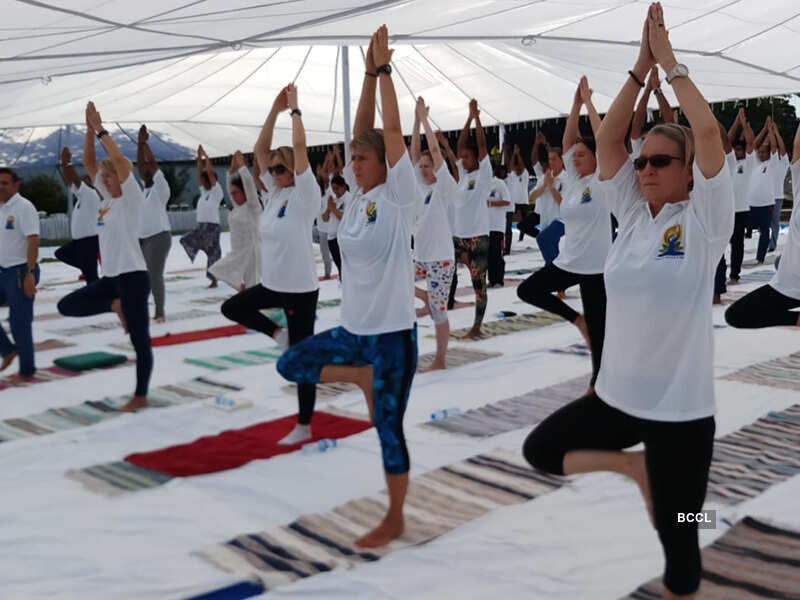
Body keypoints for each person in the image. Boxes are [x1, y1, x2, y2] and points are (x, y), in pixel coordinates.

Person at [523, 5, 734, 599]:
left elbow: (710, 133)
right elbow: (610, 137)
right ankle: (637, 470)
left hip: (681, 409)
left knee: (682, 537)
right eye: (641, 162)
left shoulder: (706, 222)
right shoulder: (632, 215)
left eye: (660, 162)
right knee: (541, 450)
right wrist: (639, 68)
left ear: (690, 172)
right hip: (618, 397)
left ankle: (711, 515)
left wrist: (669, 61)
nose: (643, 169)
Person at [277, 26, 418, 548]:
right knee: (291, 363)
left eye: (362, 159)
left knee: (388, 431)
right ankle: (358, 377)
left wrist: (383, 74)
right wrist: (363, 74)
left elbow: (391, 131)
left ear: (384, 164)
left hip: (391, 338)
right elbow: (363, 130)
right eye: (352, 159)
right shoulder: (357, 198)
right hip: (354, 334)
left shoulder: (399, 195)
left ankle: (396, 515)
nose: (351, 164)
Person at [221, 85, 320, 446]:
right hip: (274, 283)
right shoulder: (275, 193)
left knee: (303, 360)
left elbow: (299, 150)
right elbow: (259, 151)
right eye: (274, 169)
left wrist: (295, 113)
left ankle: (305, 424)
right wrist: (273, 110)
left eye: (281, 168)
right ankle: (280, 336)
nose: (274, 172)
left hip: (299, 289)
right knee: (232, 307)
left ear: (294, 170)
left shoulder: (306, 194)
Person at [58, 102, 153, 412]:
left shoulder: (131, 199)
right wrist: (87, 131)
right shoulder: (106, 203)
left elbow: (121, 166)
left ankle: (140, 395)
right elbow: (88, 162)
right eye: (104, 178)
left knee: (140, 340)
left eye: (109, 177)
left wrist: (100, 130)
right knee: (66, 306)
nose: (105, 181)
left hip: (134, 277)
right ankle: (116, 305)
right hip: (112, 280)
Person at [517, 76, 609, 388]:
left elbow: (606, 139)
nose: (576, 158)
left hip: (597, 266)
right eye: (575, 156)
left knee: (601, 336)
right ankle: (576, 319)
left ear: (597, 158)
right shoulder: (571, 181)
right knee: (527, 290)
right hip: (570, 260)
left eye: (584, 155)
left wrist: (591, 106)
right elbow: (569, 142)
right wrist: (575, 105)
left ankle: (599, 385)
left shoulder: (603, 181)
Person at [726, 121, 800, 328]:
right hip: (791, 284)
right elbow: (798, 147)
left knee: (767, 234)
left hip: (765, 204)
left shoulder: (772, 164)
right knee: (737, 315)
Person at [410, 96, 456, 372]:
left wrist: (426, 120)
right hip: (420, 255)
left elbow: (435, 154)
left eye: (428, 166)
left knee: (439, 312)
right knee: (397, 278)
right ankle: (425, 298)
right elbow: (414, 152)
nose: (423, 168)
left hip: (440, 258)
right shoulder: (420, 186)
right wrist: (415, 120)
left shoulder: (445, 187)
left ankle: (440, 359)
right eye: (422, 166)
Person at [446, 98, 493, 339]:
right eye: (461, 157)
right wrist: (467, 118)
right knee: (441, 265)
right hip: (459, 238)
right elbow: (460, 144)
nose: (462, 160)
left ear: (477, 158)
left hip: (477, 238)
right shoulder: (463, 176)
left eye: (467, 156)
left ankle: (477, 326)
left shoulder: (484, 174)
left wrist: (477, 119)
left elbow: (481, 144)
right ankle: (445, 303)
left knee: (478, 284)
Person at [0, 167, 40, 380]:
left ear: (15, 185)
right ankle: (7, 350)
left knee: (19, 322)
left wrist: (30, 274)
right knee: (18, 321)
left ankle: (27, 370)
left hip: (21, 271)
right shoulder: (1, 208)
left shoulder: (23, 207)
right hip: (2, 271)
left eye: (5, 183)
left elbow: (33, 240)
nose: (1, 187)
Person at [208, 151, 262, 291]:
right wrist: (231, 172)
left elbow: (249, 185)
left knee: (253, 286)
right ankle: (243, 289)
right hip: (237, 253)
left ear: (244, 192)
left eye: (236, 192)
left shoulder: (252, 207)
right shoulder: (236, 208)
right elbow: (230, 188)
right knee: (216, 270)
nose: (233, 196)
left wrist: (243, 167)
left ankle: (253, 302)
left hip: (252, 252)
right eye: (232, 194)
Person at [136, 125, 172, 322]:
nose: (144, 169)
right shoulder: (145, 190)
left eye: (148, 169)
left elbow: (152, 164)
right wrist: (139, 145)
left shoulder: (161, 188)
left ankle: (160, 312)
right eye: (142, 169)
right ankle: (143, 308)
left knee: (154, 275)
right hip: (143, 239)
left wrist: (144, 143)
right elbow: (141, 164)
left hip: (158, 237)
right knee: (142, 276)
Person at [56, 147, 100, 284]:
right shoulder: (81, 198)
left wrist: (66, 163)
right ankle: (88, 269)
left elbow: (74, 179)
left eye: (83, 181)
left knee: (91, 279)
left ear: (89, 184)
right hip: (80, 241)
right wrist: (65, 168)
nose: (78, 184)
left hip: (89, 240)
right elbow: (70, 180)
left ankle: (99, 300)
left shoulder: (89, 194)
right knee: (61, 253)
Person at [180, 145, 222, 287]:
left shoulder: (217, 192)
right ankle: (204, 247)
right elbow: (199, 173)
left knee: (213, 255)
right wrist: (199, 158)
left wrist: (206, 157)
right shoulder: (204, 192)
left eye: (206, 179)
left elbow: (209, 173)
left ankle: (214, 280)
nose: (203, 181)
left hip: (212, 226)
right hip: (201, 225)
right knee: (185, 240)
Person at [725, 109, 754, 284]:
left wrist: (744, 124)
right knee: (721, 244)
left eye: (739, 150)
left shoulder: (748, 162)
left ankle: (734, 275)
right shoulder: (728, 161)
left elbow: (750, 142)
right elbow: (726, 140)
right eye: (734, 150)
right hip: (726, 208)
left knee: (737, 244)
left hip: (741, 209)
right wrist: (736, 120)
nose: (736, 152)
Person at [746, 117, 779, 264]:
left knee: (765, 231)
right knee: (742, 230)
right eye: (759, 152)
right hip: (751, 204)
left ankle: (760, 258)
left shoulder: (772, 164)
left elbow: (773, 147)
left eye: (763, 152)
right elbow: (753, 144)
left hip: (766, 204)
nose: (760, 154)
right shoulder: (755, 164)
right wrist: (765, 129)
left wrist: (771, 131)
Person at [529, 133, 566, 264]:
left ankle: (552, 270)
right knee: (552, 252)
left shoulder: (567, 178)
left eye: (554, 159)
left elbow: (564, 203)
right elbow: (531, 197)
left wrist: (551, 188)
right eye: (549, 159)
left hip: (562, 220)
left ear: (562, 160)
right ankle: (555, 272)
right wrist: (544, 185)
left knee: (542, 239)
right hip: (546, 220)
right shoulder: (544, 177)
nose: (551, 162)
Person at [487, 164, 512, 287]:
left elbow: (507, 201)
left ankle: (498, 280)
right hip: (484, 226)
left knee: (497, 254)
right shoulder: (480, 185)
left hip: (497, 225)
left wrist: (490, 203)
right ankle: (491, 280)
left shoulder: (499, 183)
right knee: (488, 255)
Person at [322, 173, 349, 279]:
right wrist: (329, 208)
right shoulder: (333, 199)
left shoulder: (349, 199)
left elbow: (346, 219)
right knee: (340, 268)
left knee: (345, 268)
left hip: (343, 238)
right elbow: (325, 219)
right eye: (333, 189)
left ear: (343, 186)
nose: (335, 191)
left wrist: (333, 208)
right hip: (331, 238)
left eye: (337, 188)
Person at [768, 121, 789, 253]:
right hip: (766, 196)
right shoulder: (771, 160)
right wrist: (770, 131)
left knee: (774, 222)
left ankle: (772, 244)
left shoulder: (785, 162)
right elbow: (774, 146)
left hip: (777, 196)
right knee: (766, 223)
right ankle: (767, 242)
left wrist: (774, 132)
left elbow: (781, 147)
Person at [506, 144, 529, 253]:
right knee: (509, 223)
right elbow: (510, 166)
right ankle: (509, 241)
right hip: (514, 201)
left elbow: (522, 166)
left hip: (523, 200)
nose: (517, 168)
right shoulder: (512, 175)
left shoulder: (525, 174)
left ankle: (521, 237)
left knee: (525, 221)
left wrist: (518, 154)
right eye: (516, 168)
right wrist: (514, 154)